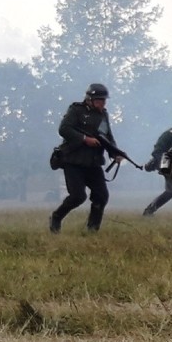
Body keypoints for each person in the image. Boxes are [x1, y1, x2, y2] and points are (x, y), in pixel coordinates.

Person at [49, 83, 121, 233]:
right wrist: (84, 139)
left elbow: (108, 137)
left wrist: (115, 153)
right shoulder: (76, 110)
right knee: (78, 196)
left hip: (93, 163)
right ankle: (56, 216)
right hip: (73, 161)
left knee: (101, 196)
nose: (103, 103)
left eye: (104, 100)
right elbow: (64, 129)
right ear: (89, 99)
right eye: (99, 100)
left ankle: (92, 229)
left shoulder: (104, 115)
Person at [142, 127, 172, 217]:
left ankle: (149, 211)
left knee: (170, 191)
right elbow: (160, 152)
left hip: (169, 162)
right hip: (166, 163)